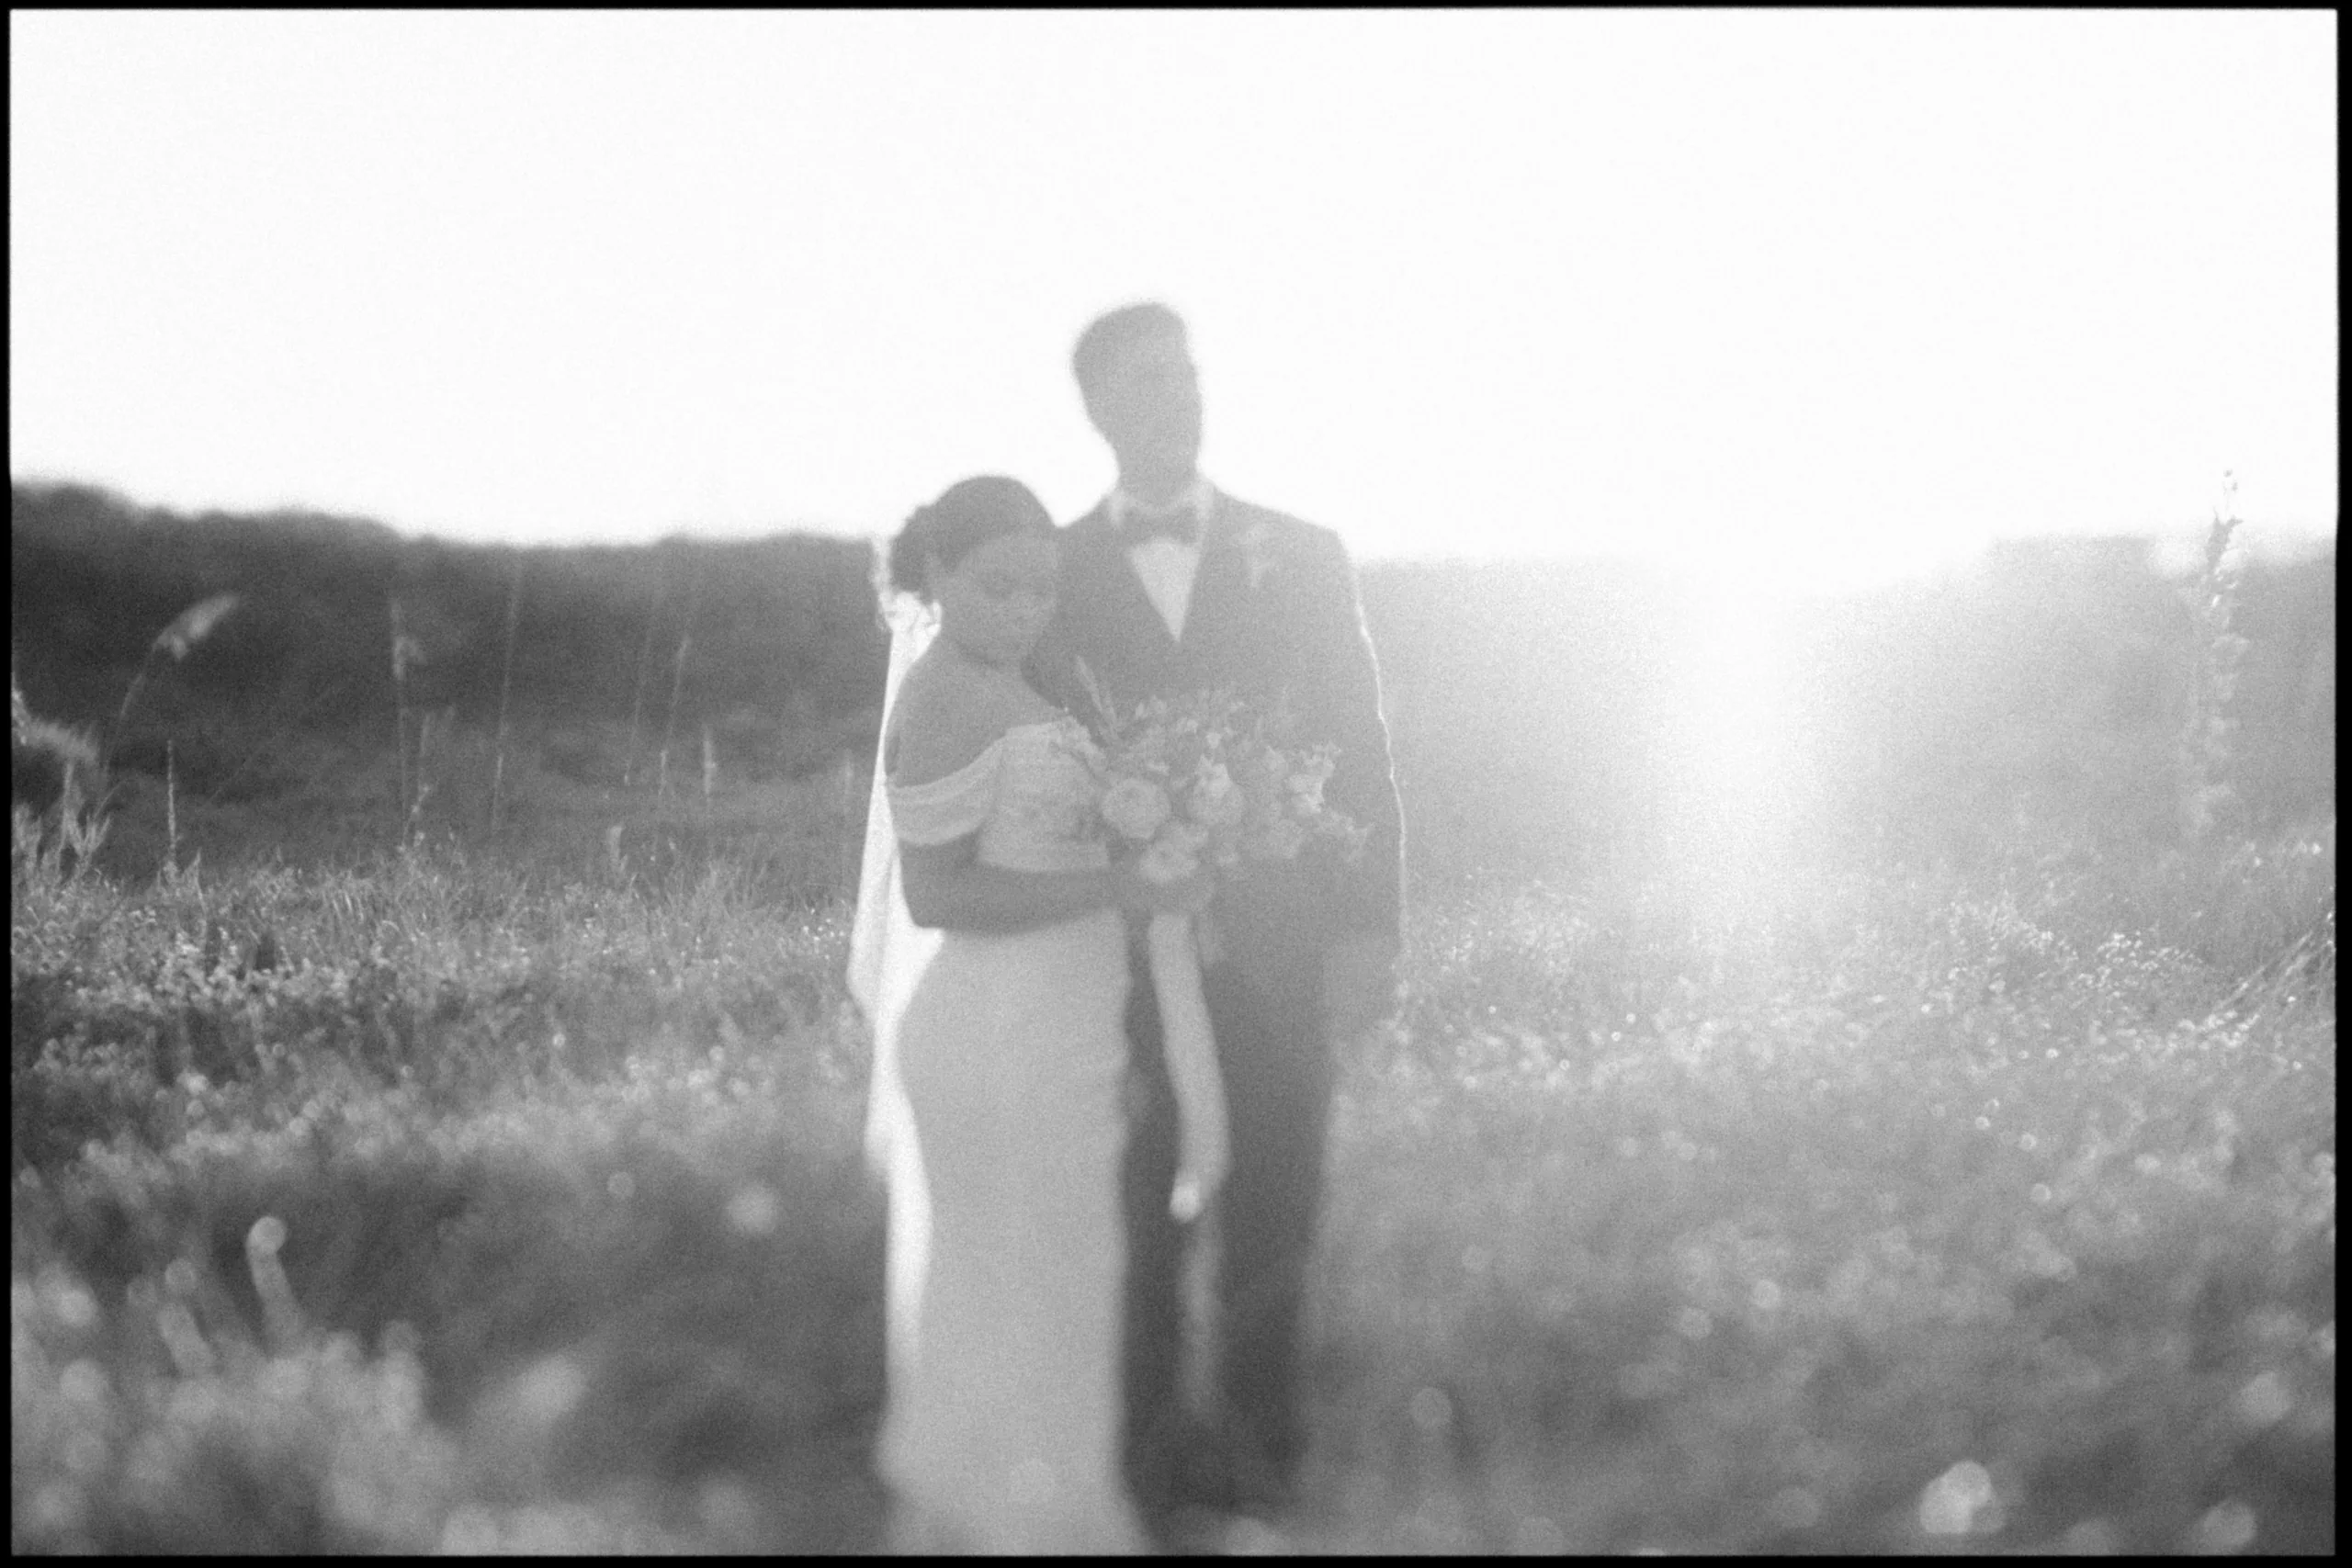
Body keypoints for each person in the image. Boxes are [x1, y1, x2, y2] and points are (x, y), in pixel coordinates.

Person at [1024, 303, 1407, 1533]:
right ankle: (1142, 1459)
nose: (1181, 394)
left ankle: (1261, 1454)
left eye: (1190, 372)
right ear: (1098, 407)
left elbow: (1359, 746)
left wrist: (1370, 930)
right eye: (1150, 379)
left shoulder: (1300, 550)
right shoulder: (1055, 571)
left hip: (1287, 942)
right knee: (1129, 1201)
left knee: (1280, 1187)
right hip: (1117, 957)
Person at [849, 474, 1212, 1553]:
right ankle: (1004, 1520)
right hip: (991, 1030)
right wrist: (1123, 889)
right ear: (937, 579)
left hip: (1061, 1029)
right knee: (1008, 1276)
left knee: (1061, 1274)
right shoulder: (947, 692)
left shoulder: (1013, 681)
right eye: (997, 587)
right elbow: (936, 895)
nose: (1022, 610)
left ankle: (1037, 1503)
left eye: (1040, 590)